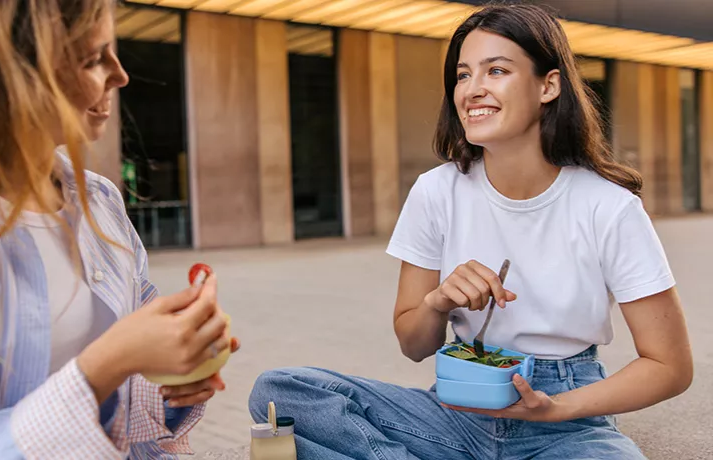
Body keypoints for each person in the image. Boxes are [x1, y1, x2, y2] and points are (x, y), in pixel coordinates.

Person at [249, 4, 692, 459]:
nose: (473, 90)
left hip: (567, 423)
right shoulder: (436, 191)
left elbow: (669, 365)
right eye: (463, 75)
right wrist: (438, 301)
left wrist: (555, 407)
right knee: (284, 392)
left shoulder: (609, 207)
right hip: (456, 411)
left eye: (496, 70)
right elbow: (414, 345)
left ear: (548, 85)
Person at [0, 0, 237, 458]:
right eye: (93, 58)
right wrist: (109, 362)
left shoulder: (99, 202)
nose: (120, 75)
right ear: (3, 72)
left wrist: (174, 373)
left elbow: (125, 401)